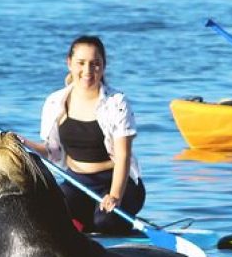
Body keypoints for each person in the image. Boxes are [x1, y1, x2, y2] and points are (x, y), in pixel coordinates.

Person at [22, 35, 145, 234]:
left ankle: (112, 224)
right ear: (69, 63)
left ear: (103, 66)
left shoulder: (117, 102)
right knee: (45, 216)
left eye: (95, 64)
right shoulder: (55, 102)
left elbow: (123, 157)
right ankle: (83, 227)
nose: (88, 71)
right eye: (81, 63)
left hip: (118, 183)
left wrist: (114, 196)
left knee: (104, 222)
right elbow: (52, 152)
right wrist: (23, 143)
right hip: (77, 183)